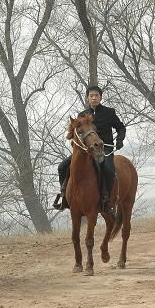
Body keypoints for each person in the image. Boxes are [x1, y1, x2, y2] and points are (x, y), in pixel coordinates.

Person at [53, 85, 126, 213]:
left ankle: (107, 201)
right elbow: (77, 134)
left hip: (105, 149)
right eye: (91, 96)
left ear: (100, 97)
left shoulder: (109, 112)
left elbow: (120, 127)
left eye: (96, 95)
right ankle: (65, 196)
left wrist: (119, 140)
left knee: (108, 169)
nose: (94, 98)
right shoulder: (82, 115)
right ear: (87, 98)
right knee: (62, 166)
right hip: (86, 151)